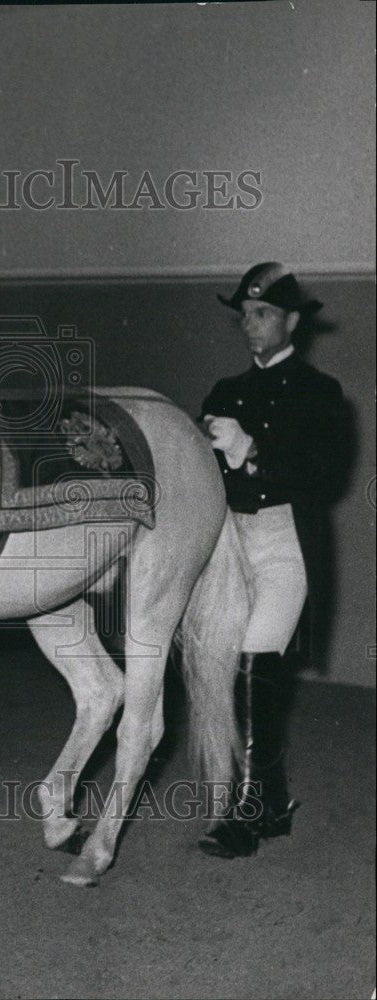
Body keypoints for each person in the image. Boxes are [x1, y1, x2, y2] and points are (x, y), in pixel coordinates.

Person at [198, 261, 346, 858]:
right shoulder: (223, 392)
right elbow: (199, 476)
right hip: (231, 542)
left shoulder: (321, 393)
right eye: (245, 315)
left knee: (256, 666)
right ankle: (271, 802)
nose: (250, 325)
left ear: (290, 322)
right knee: (225, 672)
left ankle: (248, 813)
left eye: (262, 314)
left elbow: (322, 477)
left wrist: (252, 450)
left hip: (286, 541)